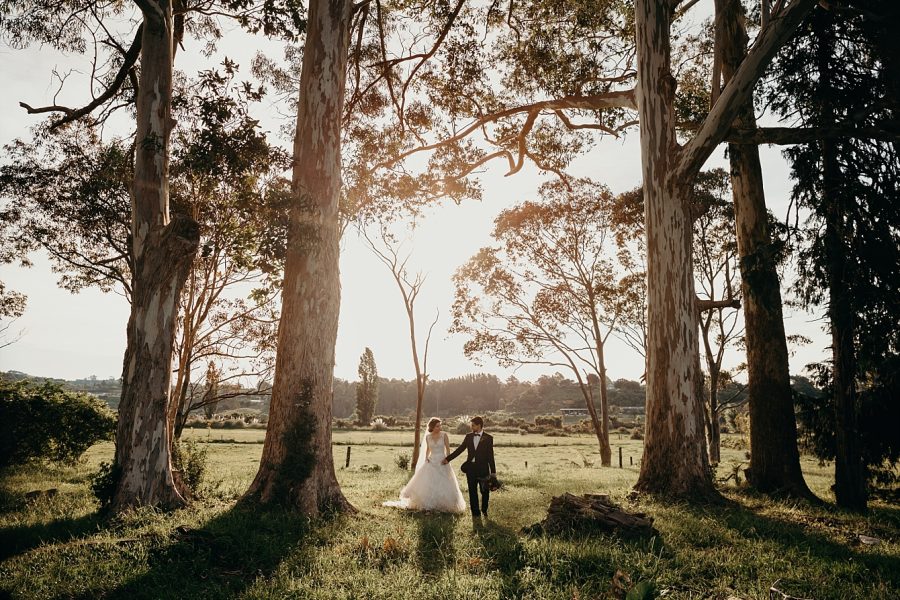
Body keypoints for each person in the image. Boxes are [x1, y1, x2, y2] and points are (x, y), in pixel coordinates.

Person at [382, 417, 466, 513]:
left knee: (444, 482)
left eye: (440, 426)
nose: (440, 428)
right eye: (437, 426)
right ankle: (429, 504)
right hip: (431, 461)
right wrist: (426, 457)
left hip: (442, 461)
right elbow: (428, 449)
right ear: (432, 427)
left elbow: (447, 449)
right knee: (429, 482)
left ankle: (445, 504)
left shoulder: (444, 435)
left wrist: (447, 459)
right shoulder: (428, 437)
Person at [443, 415, 496, 519]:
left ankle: (484, 510)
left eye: (473, 425)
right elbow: (460, 449)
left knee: (484, 492)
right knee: (472, 492)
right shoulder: (468, 437)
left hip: (483, 470)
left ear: (479, 425)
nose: (471, 427)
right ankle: (475, 513)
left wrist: (493, 472)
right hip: (470, 469)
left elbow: (490, 455)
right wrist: (448, 459)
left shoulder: (489, 438)